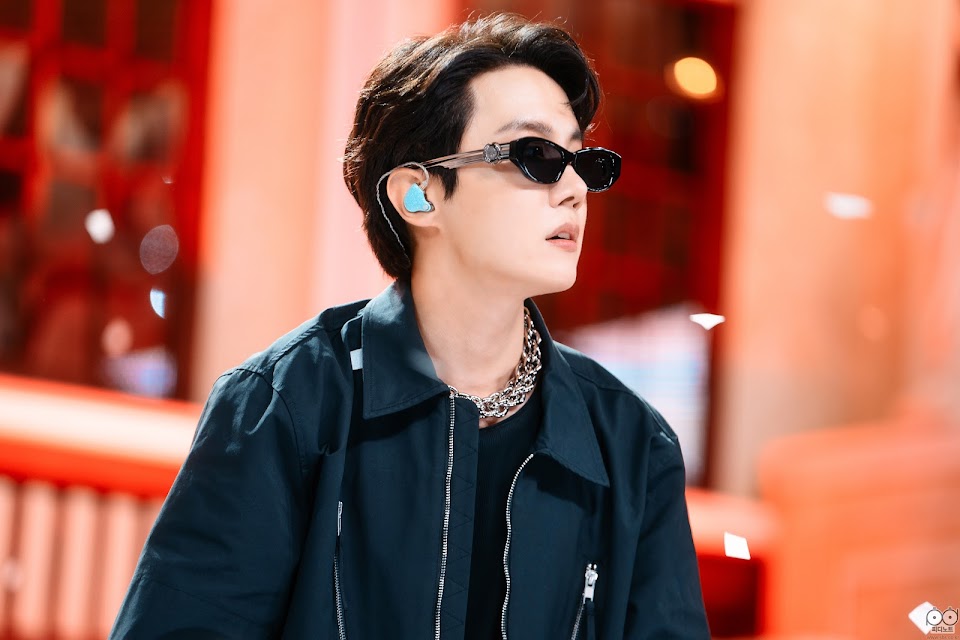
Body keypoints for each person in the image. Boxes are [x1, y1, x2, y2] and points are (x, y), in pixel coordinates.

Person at [110, 12, 709, 640]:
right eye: (536, 156)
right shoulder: (285, 406)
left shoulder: (633, 445)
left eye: (583, 161)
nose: (574, 191)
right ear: (418, 196)